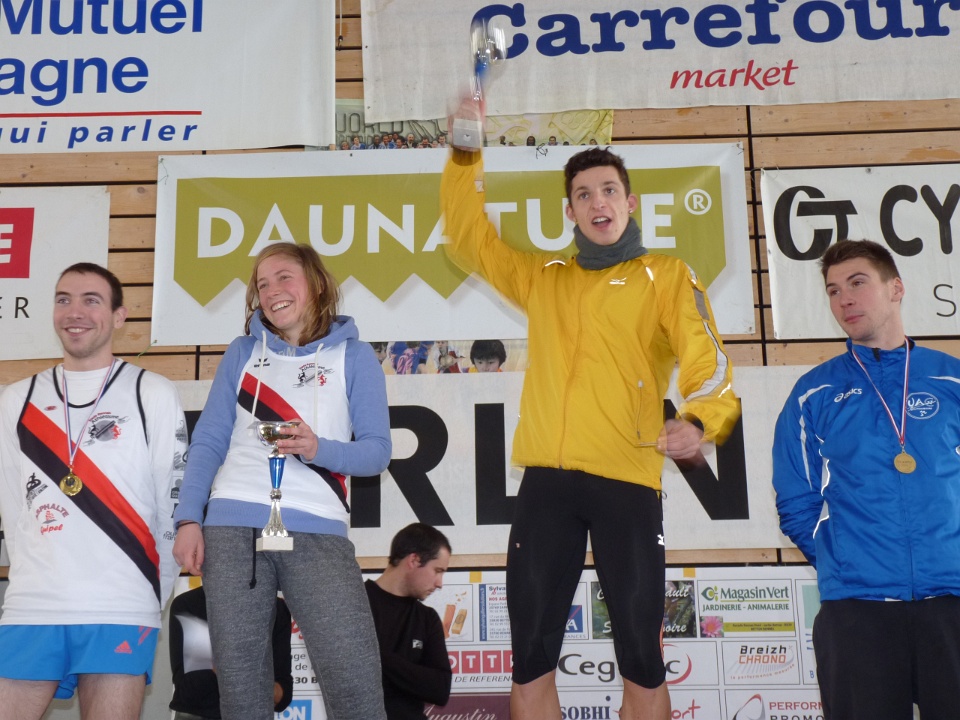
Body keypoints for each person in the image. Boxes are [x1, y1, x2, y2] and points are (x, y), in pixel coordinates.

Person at [441, 100, 739, 720]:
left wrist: (698, 420)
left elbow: (707, 359)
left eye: (608, 190)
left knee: (642, 657)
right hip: (547, 485)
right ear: (570, 211)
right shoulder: (544, 277)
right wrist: (466, 153)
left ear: (630, 202)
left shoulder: (666, 275)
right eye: (583, 194)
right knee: (530, 658)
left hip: (626, 482)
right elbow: (470, 240)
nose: (597, 202)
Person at [172, 242, 392, 720]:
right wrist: (188, 518)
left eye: (284, 277)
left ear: (316, 283)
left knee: (354, 681)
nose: (272, 290)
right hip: (231, 529)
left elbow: (377, 452)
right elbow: (208, 440)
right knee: (241, 688)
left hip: (318, 529)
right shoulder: (242, 352)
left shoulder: (354, 356)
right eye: (262, 284)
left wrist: (318, 449)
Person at [772, 239, 960, 720]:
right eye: (833, 291)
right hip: (857, 608)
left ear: (896, 288)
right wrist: (845, 560)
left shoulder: (951, 380)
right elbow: (796, 500)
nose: (845, 300)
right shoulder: (814, 393)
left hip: (953, 600)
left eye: (857, 283)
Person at [0, 263, 186, 720]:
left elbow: (172, 505)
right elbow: (12, 509)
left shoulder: (152, 392)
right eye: (63, 299)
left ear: (119, 316)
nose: (74, 312)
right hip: (32, 606)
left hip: (120, 605)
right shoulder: (16, 398)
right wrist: (31, 579)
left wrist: (149, 598)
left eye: (91, 300)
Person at [365, 523, 453, 720]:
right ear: (413, 560)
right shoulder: (354, 606)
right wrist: (413, 675)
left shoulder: (427, 618)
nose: (440, 583)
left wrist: (373, 655)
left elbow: (440, 689)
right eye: (437, 570)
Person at [168, 585, 293, 720]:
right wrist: (226, 663)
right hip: (198, 714)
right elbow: (185, 690)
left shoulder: (275, 608)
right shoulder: (189, 604)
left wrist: (253, 681)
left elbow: (283, 694)